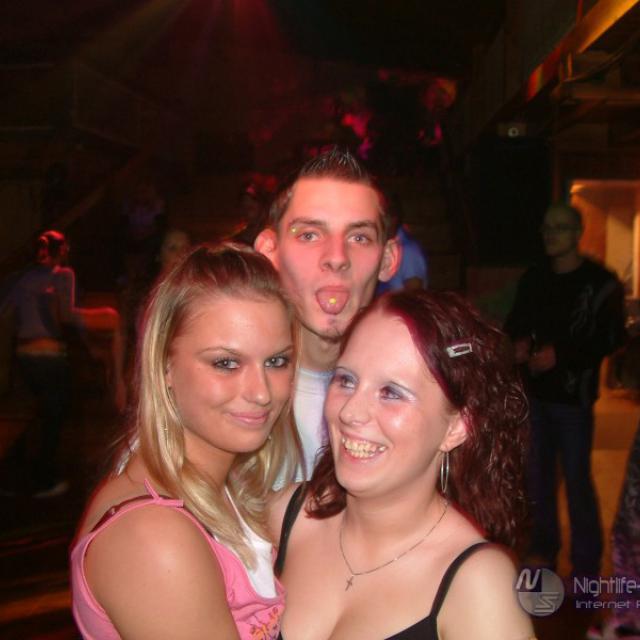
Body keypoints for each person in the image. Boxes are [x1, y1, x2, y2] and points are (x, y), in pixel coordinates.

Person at [270, 290, 534, 640]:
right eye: (346, 380)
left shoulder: (478, 584)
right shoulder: (286, 517)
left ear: (456, 427)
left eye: (391, 392)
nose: (350, 412)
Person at [70, 243, 299, 640]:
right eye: (226, 363)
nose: (262, 392)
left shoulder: (221, 485)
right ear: (165, 366)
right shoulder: (154, 539)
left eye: (276, 361)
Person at [255, 147, 399, 478]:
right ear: (269, 250)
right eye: (309, 235)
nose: (336, 257)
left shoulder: (412, 404)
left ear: (387, 259)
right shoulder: (231, 398)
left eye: (359, 237)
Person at [504, 203, 626, 578]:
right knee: (537, 478)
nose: (549, 234)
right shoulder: (535, 278)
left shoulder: (600, 283)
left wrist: (562, 356)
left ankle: (586, 563)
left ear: (577, 233)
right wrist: (519, 344)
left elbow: (610, 337)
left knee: (576, 480)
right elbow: (516, 322)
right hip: (535, 395)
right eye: (546, 227)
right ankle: (544, 548)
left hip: (573, 399)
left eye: (558, 228)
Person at [1, 230, 125, 497]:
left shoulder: (23, 279)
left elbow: (6, 312)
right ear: (62, 251)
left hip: (25, 356)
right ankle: (43, 480)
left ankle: (16, 478)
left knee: (37, 414)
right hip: (48, 356)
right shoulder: (63, 275)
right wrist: (105, 316)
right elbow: (67, 315)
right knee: (54, 416)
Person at [375, 195, 428, 294]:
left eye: (382, 216)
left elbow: (414, 295)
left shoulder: (408, 251)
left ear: (394, 218)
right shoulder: (384, 243)